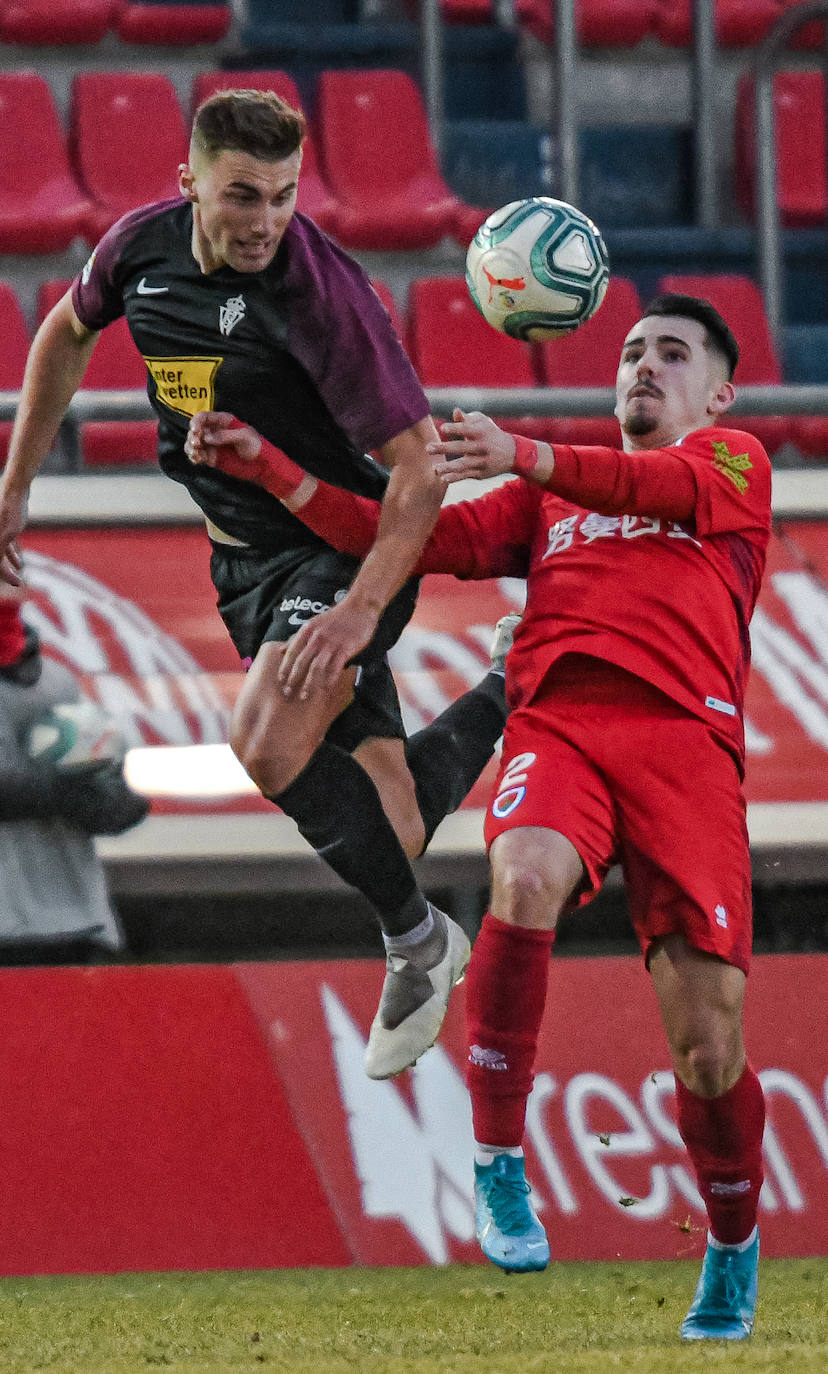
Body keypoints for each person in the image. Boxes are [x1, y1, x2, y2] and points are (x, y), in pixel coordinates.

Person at [184, 294, 771, 1342]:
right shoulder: (550, 504)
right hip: (561, 724)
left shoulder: (731, 467)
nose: (643, 366)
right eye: (631, 351)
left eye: (670, 355)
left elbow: (641, 481)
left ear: (717, 390)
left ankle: (730, 1239)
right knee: (526, 873)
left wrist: (524, 450)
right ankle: (500, 1161)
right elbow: (394, 537)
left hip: (688, 750)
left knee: (710, 1050)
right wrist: (269, 470)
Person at [0, 88, 509, 1077]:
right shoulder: (141, 248)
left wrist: (359, 610)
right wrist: (15, 488)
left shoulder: (322, 298)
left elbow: (420, 465)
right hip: (240, 559)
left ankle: (418, 945)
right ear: (189, 185)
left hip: (341, 545)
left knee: (263, 740)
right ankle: (506, 688)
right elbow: (63, 332)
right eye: (242, 197)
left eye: (282, 196)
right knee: (383, 819)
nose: (265, 220)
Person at [0, 527, 149, 964]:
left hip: (80, 920)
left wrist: (114, 799)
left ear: (24, 589)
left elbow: (105, 794)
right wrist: (57, 790)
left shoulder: (59, 683)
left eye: (3, 577)